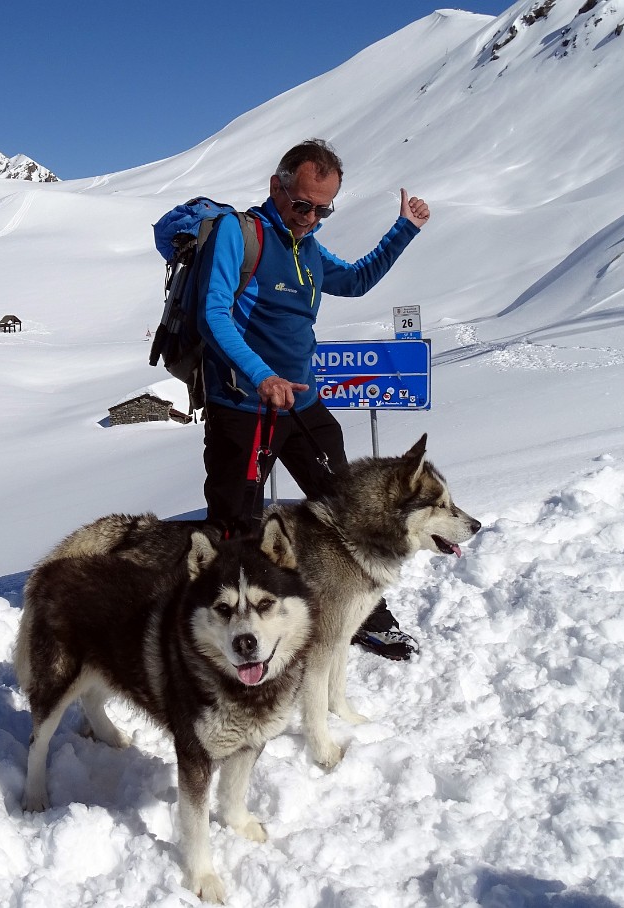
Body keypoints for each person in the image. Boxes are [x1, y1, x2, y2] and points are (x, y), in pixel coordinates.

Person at [195, 138, 429, 661]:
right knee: (238, 527)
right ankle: (236, 636)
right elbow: (211, 315)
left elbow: (358, 279)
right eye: (302, 204)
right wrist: (261, 375)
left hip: (302, 406)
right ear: (276, 187)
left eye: (323, 209)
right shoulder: (242, 234)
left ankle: (365, 614)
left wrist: (405, 229)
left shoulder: (309, 247)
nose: (311, 217)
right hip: (246, 408)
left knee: (347, 508)